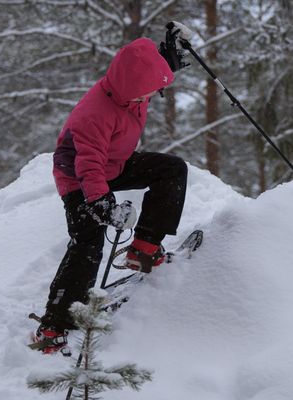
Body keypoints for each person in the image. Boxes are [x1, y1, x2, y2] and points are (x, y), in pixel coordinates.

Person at [34, 29, 189, 354]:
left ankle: (144, 248)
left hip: (113, 165)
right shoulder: (94, 115)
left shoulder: (132, 88)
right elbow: (87, 165)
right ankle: (53, 326)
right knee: (87, 241)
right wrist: (102, 204)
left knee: (171, 170)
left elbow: (148, 72)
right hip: (78, 178)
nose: (146, 99)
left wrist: (167, 62)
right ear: (128, 90)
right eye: (142, 95)